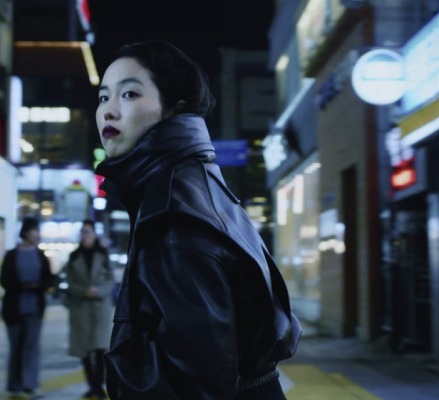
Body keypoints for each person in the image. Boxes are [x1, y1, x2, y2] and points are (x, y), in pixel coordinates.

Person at [94, 39, 302, 400]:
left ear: (175, 107)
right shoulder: (197, 186)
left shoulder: (172, 215)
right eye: (103, 97)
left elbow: (195, 384)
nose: (109, 111)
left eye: (128, 95)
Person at [0, 217, 55, 399]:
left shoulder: (41, 255)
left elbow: (49, 279)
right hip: (14, 308)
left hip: (34, 309)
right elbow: (5, 280)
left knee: (31, 347)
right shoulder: (11, 255)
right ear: (25, 231)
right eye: (33, 230)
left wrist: (37, 286)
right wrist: (22, 286)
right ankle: (14, 385)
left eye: (37, 230)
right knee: (16, 347)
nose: (36, 234)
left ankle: (30, 385)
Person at [65, 219, 115, 400]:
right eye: (83, 232)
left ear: (94, 234)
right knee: (84, 350)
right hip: (81, 308)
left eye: (88, 232)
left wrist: (99, 291)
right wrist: (83, 290)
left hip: (100, 307)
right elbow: (69, 282)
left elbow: (111, 280)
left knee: (100, 349)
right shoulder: (74, 256)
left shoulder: (103, 254)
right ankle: (94, 386)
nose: (85, 235)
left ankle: (97, 385)